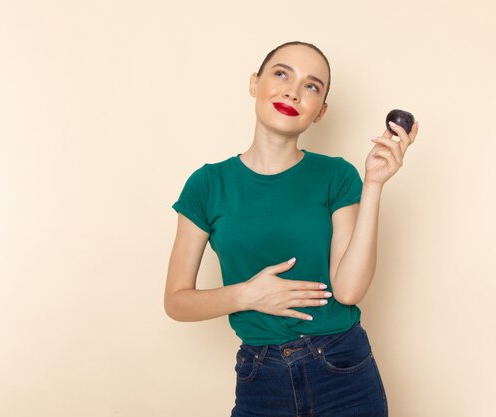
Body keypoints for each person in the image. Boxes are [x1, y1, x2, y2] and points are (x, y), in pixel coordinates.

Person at [164, 40, 418, 417]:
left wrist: (374, 185)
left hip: (343, 369)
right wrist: (247, 295)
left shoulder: (337, 176)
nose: (293, 92)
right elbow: (176, 301)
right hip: (260, 376)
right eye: (281, 74)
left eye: (311, 86)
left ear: (320, 112)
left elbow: (348, 290)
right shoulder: (207, 185)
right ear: (255, 83)